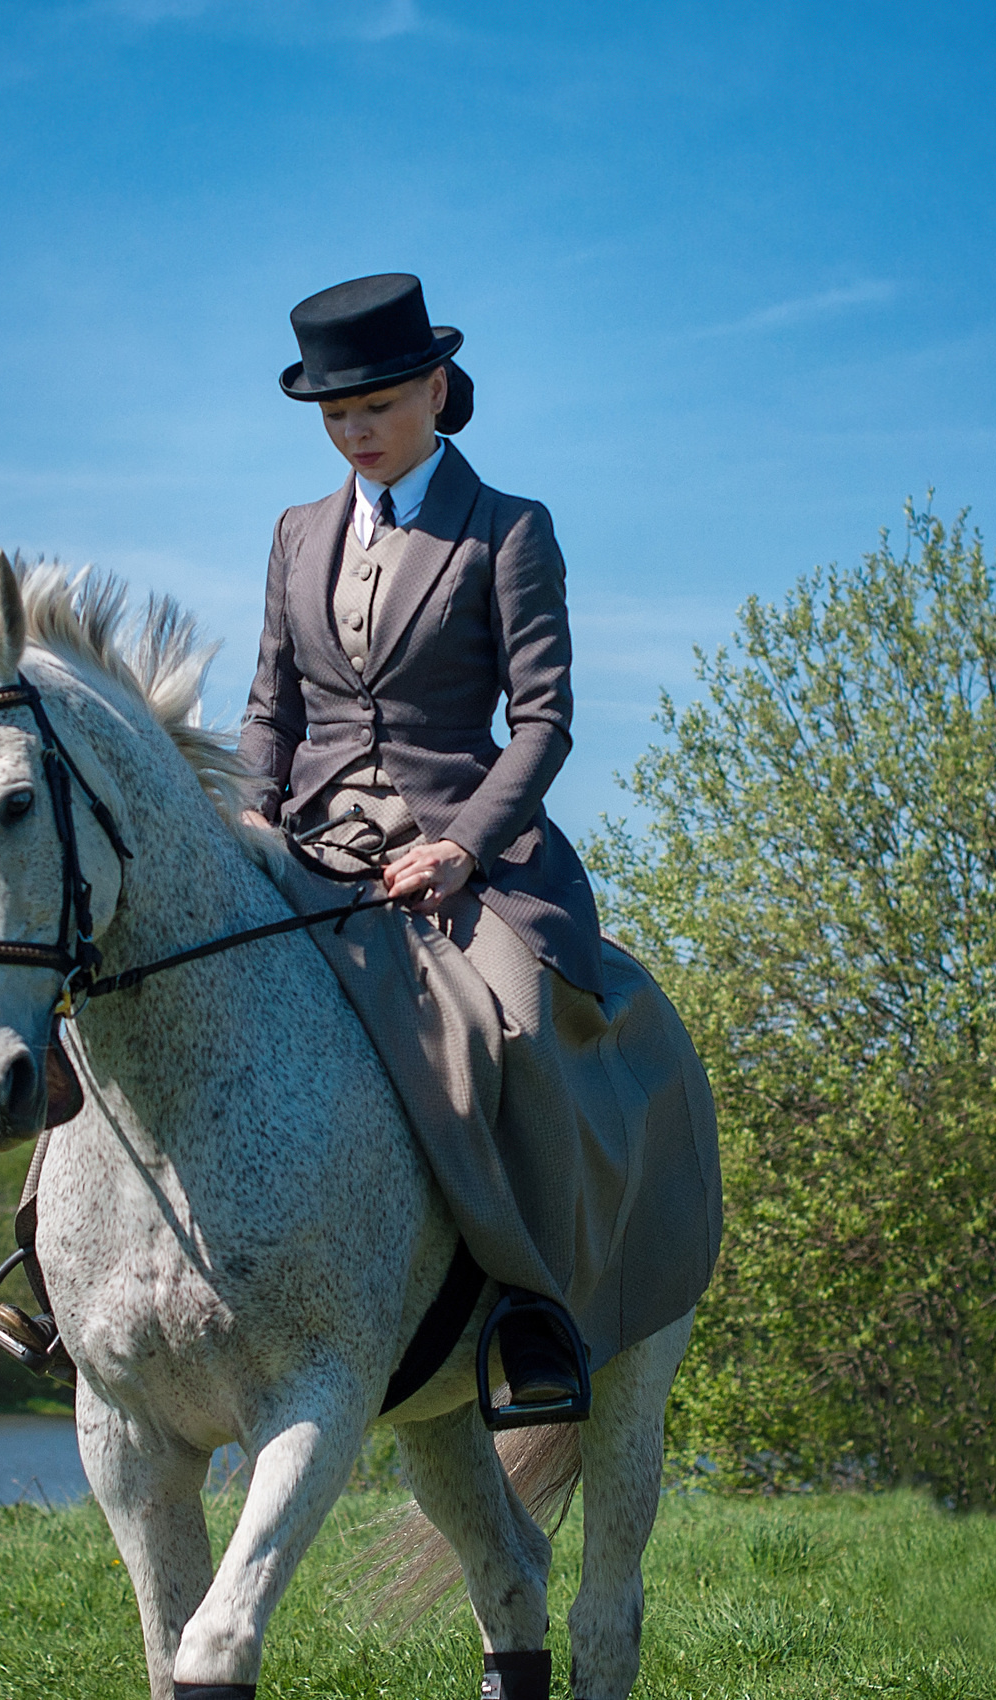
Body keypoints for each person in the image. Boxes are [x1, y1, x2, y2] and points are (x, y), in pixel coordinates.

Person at [237, 272, 603, 1414]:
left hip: (460, 851)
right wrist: (250, 808)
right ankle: (61, 1272)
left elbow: (543, 722)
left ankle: (532, 1305)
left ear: (436, 389)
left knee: (518, 1024)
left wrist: (466, 850)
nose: (356, 433)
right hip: (309, 835)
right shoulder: (297, 534)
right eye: (336, 416)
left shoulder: (507, 528)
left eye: (379, 408)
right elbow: (269, 709)